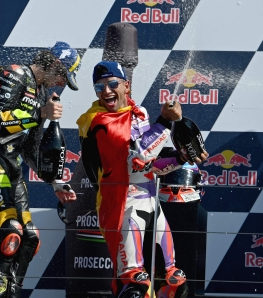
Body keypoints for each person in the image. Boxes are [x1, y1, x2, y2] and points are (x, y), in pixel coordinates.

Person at [76, 60, 208, 298]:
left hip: (150, 202)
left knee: (173, 282)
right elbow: (139, 157)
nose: (106, 91)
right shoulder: (98, 121)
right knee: (134, 285)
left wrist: (180, 159)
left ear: (126, 86)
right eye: (99, 87)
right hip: (121, 207)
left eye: (112, 83)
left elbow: (149, 167)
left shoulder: (139, 114)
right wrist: (166, 122)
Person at [0, 41, 80, 298]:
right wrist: (41, 113)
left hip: (13, 164)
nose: (61, 83)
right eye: (63, 76)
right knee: (10, 230)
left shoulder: (40, 94)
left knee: (29, 237)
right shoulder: (13, 72)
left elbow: (30, 148)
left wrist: (55, 183)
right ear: (53, 63)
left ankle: (13, 293)